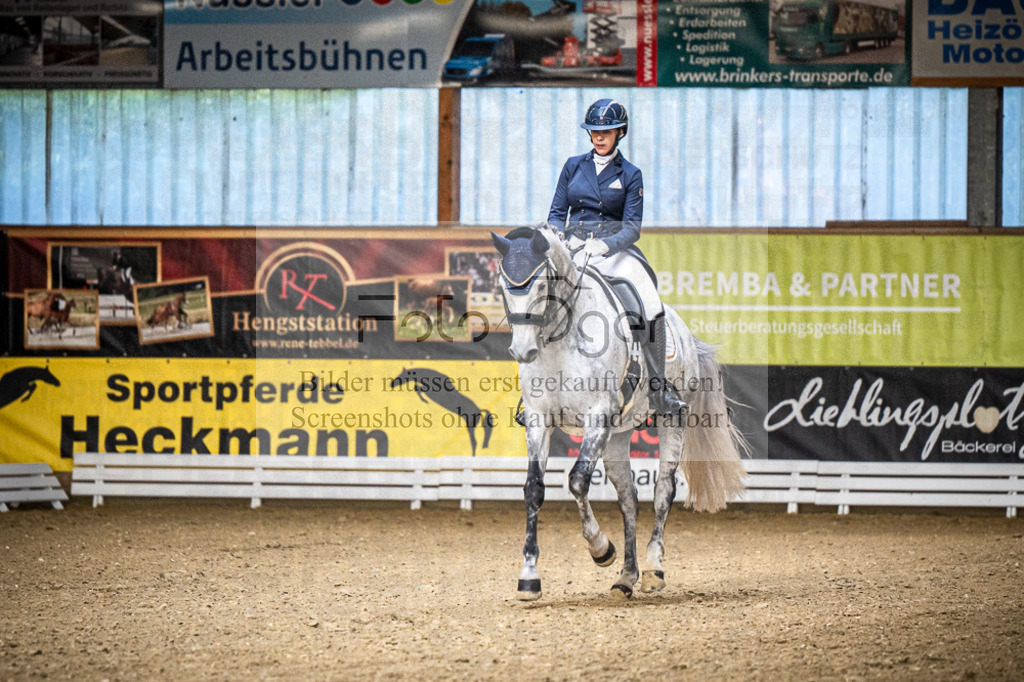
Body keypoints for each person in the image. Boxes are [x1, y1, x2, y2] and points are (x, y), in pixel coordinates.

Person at [547, 98, 686, 421]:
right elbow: (556, 212)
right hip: (574, 246)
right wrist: (559, 238)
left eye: (606, 131)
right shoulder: (572, 166)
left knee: (650, 301)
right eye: (594, 131)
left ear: (619, 132)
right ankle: (533, 395)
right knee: (544, 297)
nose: (598, 136)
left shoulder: (631, 174)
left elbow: (632, 228)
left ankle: (658, 388)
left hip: (614, 250)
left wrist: (606, 245)